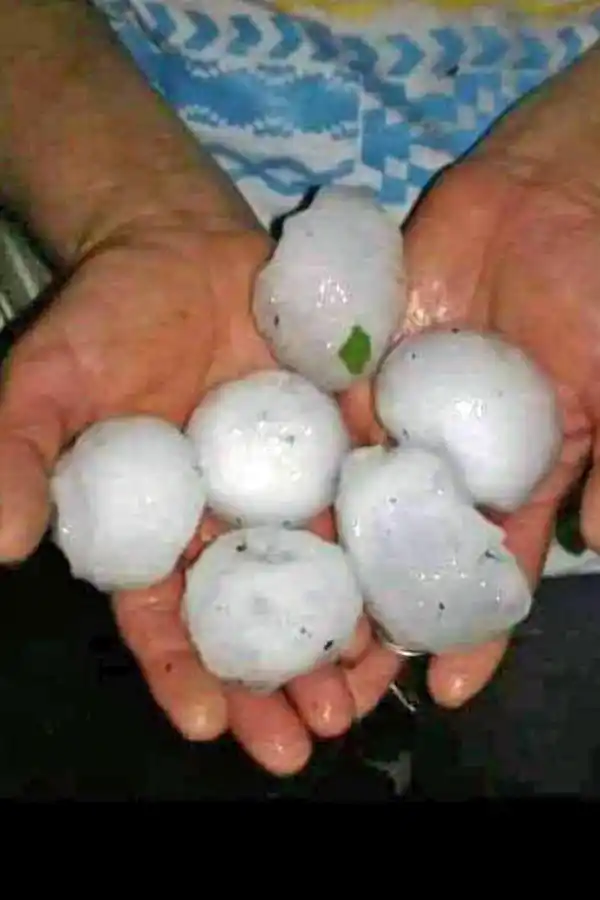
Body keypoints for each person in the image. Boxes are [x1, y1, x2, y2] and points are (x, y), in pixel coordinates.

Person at [1, 0, 600, 779]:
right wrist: (132, 204)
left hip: (556, 356)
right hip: (138, 283)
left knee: (533, 737)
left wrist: (580, 164)